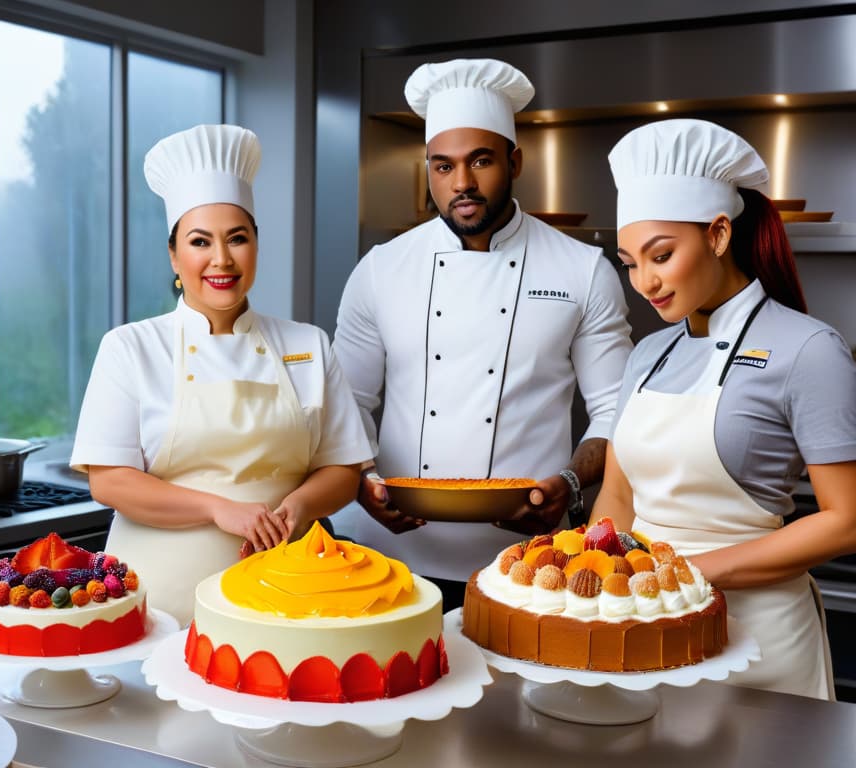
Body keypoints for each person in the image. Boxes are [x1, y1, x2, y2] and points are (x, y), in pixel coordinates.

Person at [332, 59, 633, 609]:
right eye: (442, 167)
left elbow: (617, 410)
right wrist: (362, 484)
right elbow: (343, 405)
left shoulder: (582, 269)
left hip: (526, 563)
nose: (462, 184)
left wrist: (568, 483)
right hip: (388, 557)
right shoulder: (381, 268)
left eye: (481, 162)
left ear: (514, 161)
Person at [592, 118, 856, 699]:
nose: (645, 282)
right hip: (648, 626)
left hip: (759, 642)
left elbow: (847, 519)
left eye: (661, 255)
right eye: (630, 262)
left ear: (717, 234)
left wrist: (690, 573)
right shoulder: (647, 354)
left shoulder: (809, 349)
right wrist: (592, 586)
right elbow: (618, 496)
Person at [71, 125, 373, 625]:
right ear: (173, 255)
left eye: (238, 238)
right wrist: (218, 509)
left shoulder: (307, 344)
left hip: (289, 594)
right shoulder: (131, 347)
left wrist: (295, 509)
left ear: (256, 245)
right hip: (159, 603)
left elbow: (343, 469)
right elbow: (109, 482)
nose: (222, 259)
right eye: (199, 241)